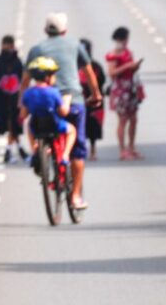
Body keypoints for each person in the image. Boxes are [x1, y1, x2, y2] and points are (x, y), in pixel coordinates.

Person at [20, 12, 101, 210]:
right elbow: (89, 73)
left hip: (42, 106)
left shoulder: (37, 49)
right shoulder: (75, 45)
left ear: (45, 30)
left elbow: (24, 82)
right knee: (77, 153)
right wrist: (96, 95)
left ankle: (41, 151)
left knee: (37, 127)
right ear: (65, 30)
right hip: (73, 101)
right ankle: (75, 197)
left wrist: (24, 103)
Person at [20, 57, 76, 166]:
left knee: (28, 125)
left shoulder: (28, 93)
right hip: (54, 125)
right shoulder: (53, 92)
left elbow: (23, 114)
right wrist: (67, 101)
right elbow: (63, 112)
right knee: (72, 130)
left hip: (36, 127)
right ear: (47, 77)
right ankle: (65, 155)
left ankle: (35, 150)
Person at [0, 35, 28, 163]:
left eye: (10, 45)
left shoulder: (18, 62)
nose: (8, 48)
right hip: (1, 100)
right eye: (6, 45)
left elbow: (24, 80)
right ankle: (17, 150)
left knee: (14, 125)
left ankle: (13, 150)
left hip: (15, 100)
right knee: (8, 125)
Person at [106, 27, 145, 161]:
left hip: (130, 87)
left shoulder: (127, 52)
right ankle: (122, 150)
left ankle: (132, 147)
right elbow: (111, 73)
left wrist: (135, 67)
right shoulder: (114, 54)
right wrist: (127, 66)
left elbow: (131, 70)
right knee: (123, 120)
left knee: (133, 119)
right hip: (120, 88)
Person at [79, 38, 106, 161]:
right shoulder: (74, 66)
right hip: (79, 99)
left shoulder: (95, 66)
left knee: (93, 126)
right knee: (79, 125)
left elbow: (102, 80)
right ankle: (81, 148)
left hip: (94, 100)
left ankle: (93, 149)